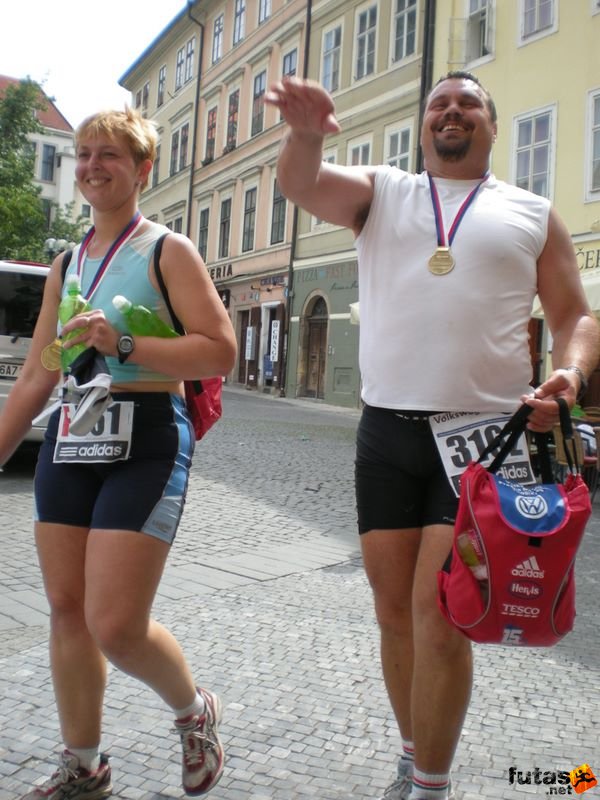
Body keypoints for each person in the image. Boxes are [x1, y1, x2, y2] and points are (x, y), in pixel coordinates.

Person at [265, 72, 600, 800]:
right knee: (394, 616)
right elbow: (302, 183)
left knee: (442, 613)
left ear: (491, 124)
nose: (451, 112)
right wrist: (304, 132)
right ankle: (414, 748)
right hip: (385, 432)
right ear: (424, 127)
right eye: (438, 104)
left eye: (468, 103)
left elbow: (576, 314)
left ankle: (433, 784)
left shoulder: (533, 213)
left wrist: (570, 375)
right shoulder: (384, 192)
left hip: (484, 438)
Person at [0, 107, 237, 799]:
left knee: (114, 623)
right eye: (82, 154)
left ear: (142, 168)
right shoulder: (67, 264)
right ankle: (84, 763)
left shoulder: (168, 250)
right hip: (76, 432)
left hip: (148, 432)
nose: (92, 165)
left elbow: (219, 350)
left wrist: (123, 342)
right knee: (66, 608)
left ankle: (195, 712)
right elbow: (41, 369)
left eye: (108, 154)